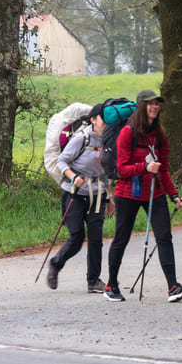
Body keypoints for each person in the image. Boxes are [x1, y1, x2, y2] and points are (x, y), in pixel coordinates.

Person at [104, 89, 182, 303]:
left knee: (164, 237)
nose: (154, 107)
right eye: (149, 103)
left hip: (155, 192)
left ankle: (173, 287)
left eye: (156, 104)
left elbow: (163, 169)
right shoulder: (127, 132)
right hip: (127, 193)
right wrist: (144, 167)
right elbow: (121, 169)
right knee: (121, 239)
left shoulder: (160, 135)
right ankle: (111, 285)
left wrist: (174, 195)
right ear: (141, 107)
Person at [46, 103, 111, 294]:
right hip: (73, 193)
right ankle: (56, 264)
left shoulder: (107, 141)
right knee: (76, 237)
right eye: (103, 119)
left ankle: (93, 280)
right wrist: (73, 177)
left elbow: (105, 169)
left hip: (97, 194)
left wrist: (110, 197)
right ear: (93, 120)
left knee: (96, 239)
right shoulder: (81, 138)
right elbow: (61, 160)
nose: (106, 124)